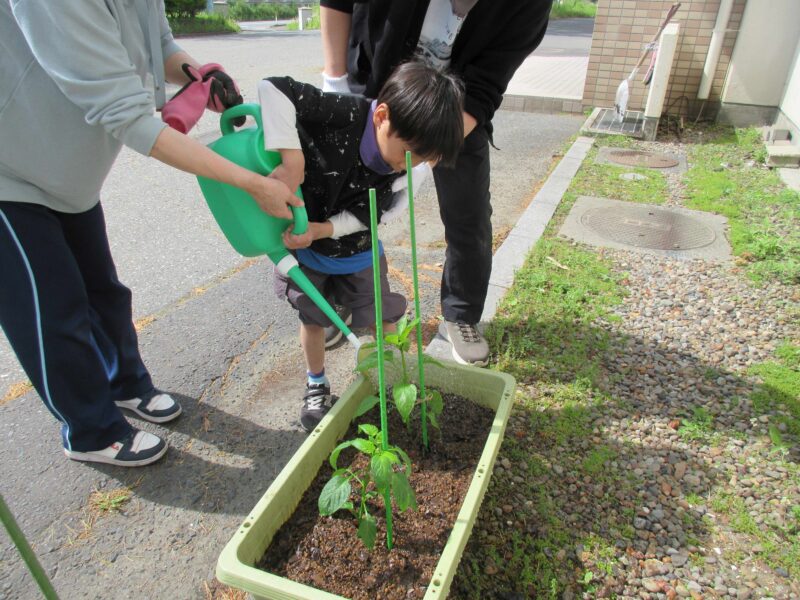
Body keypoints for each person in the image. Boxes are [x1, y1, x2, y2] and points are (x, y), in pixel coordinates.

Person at [0, 1, 301, 467]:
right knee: (54, 311)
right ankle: (91, 431)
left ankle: (125, 384)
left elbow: (157, 44)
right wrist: (251, 183)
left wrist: (198, 76)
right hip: (12, 173)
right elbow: (130, 118)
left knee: (105, 293)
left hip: (68, 176)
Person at [319, 0, 553, 366]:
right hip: (374, 88)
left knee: (469, 216)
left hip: (459, 111)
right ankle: (339, 298)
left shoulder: (528, 5)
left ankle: (461, 315)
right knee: (343, 200)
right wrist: (336, 83)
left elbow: (487, 84)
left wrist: (423, 155)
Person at [259, 60, 464, 431]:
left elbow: (365, 214)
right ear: (382, 116)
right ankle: (316, 382)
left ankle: (396, 381)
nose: (411, 166)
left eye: (422, 160)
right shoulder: (344, 113)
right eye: (411, 153)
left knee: (382, 317)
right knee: (313, 319)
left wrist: (321, 230)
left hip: (359, 253)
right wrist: (292, 157)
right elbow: (273, 87)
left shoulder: (398, 166)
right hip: (308, 252)